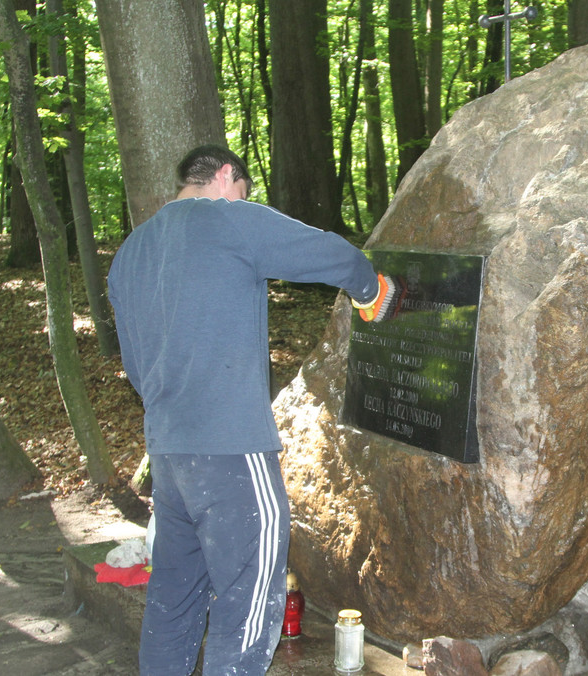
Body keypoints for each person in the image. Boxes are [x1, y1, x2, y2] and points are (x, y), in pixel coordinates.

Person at [107, 145, 395, 675]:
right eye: (243, 190)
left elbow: (133, 363)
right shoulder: (229, 219)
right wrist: (372, 290)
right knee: (248, 602)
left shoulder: (132, 252)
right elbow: (330, 253)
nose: (244, 199)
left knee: (174, 602)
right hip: (232, 452)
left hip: (170, 457)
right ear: (224, 176)